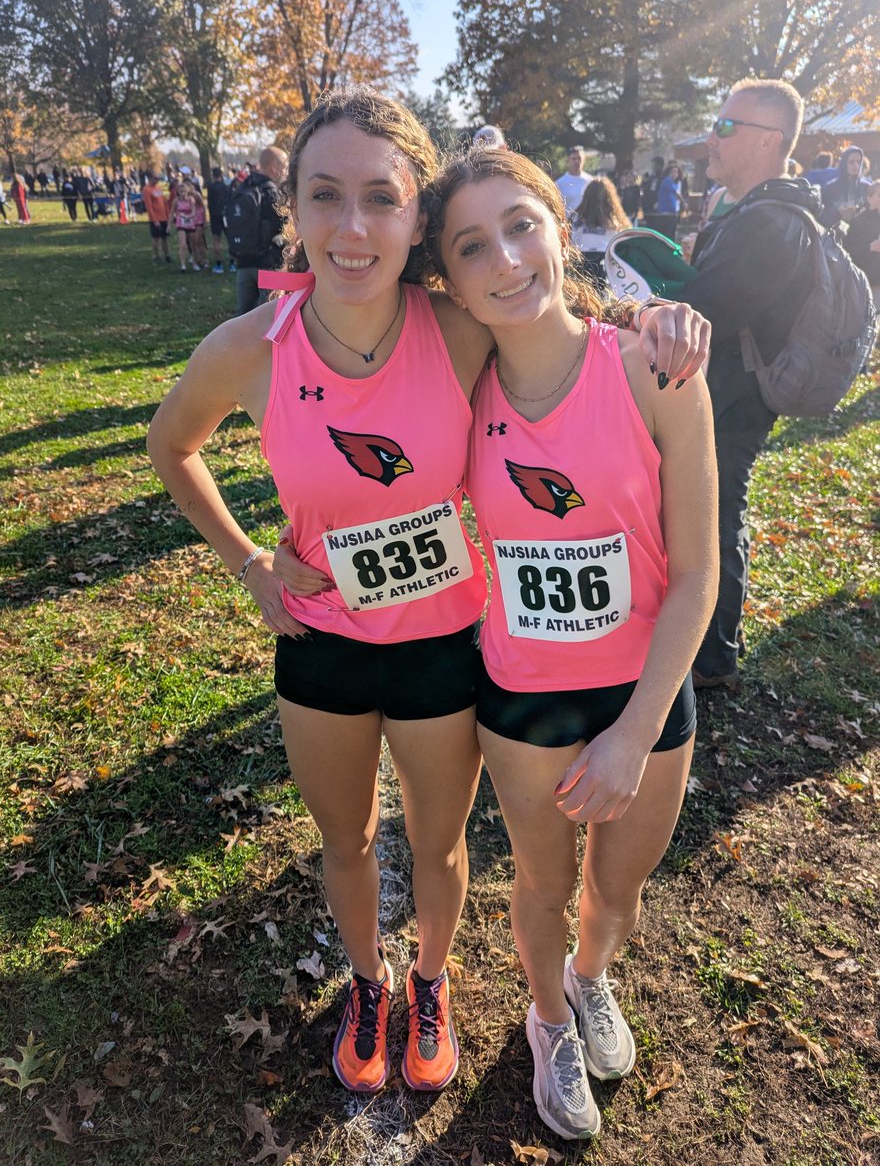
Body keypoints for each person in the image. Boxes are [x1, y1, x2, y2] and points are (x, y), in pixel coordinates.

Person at [148, 86, 709, 1102]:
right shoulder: (250, 347)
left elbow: (550, 315)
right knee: (347, 840)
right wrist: (248, 562)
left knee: (441, 843)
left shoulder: (455, 327)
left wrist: (653, 316)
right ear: (293, 207)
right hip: (321, 641)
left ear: (414, 223)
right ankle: (369, 983)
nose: (351, 226)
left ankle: (433, 981)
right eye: (325, 195)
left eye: (381, 198)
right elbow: (169, 445)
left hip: (446, 645)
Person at [420, 144, 717, 1141]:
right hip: (525, 697)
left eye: (521, 226)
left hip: (646, 692)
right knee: (543, 885)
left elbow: (697, 574)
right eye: (472, 246)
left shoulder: (653, 366)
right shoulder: (456, 393)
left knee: (615, 890)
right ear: (450, 280)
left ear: (560, 227)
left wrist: (633, 734)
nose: (506, 259)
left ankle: (591, 979)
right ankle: (548, 1018)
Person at [675, 78, 815, 689]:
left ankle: (712, 658)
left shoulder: (769, 222)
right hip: (733, 388)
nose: (713, 137)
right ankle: (712, 650)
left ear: (768, 141)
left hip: (735, 395)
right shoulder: (763, 211)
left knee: (717, 513)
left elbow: (707, 308)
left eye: (727, 127)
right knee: (717, 510)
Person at [228, 146, 288, 315]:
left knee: (243, 317)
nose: (287, 172)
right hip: (268, 265)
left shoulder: (242, 188)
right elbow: (285, 228)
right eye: (285, 166)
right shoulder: (272, 192)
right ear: (274, 167)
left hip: (243, 263)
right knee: (267, 317)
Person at [571, 178, 631, 293]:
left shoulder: (576, 219)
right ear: (609, 198)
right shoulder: (615, 222)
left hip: (581, 266)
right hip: (607, 268)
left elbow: (572, 242)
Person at [819, 145, 872, 228]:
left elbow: (874, 214)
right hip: (836, 232)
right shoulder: (830, 188)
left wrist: (860, 211)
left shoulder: (867, 187)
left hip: (862, 232)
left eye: (858, 162)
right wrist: (838, 212)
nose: (855, 165)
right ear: (844, 163)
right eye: (851, 162)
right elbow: (820, 217)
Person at [844, 180, 880, 295]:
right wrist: (870, 247)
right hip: (867, 283)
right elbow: (848, 252)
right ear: (869, 198)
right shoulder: (859, 221)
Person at [556, 147, 594, 241]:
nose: (577, 161)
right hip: (568, 229)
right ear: (568, 160)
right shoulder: (560, 183)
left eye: (579, 158)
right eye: (574, 159)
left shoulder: (591, 181)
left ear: (584, 160)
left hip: (587, 229)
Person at [141, 171, 172, 264]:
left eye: (158, 178)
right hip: (156, 218)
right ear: (150, 178)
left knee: (164, 238)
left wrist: (167, 215)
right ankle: (156, 256)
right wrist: (154, 220)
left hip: (163, 217)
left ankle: (167, 256)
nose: (157, 180)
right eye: (155, 178)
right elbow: (149, 206)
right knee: (156, 238)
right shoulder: (147, 190)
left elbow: (163, 201)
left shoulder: (158, 188)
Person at [169, 181, 200, 271]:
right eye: (180, 192)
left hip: (190, 223)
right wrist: (169, 225)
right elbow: (171, 212)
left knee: (193, 244)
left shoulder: (191, 200)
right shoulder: (176, 201)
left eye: (184, 192)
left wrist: (188, 216)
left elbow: (194, 212)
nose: (182, 194)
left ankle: (195, 263)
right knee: (183, 244)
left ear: (187, 192)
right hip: (181, 223)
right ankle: (183, 264)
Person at [207, 166, 231, 273]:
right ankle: (232, 264)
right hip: (226, 215)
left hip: (215, 216)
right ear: (221, 175)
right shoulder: (226, 187)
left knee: (216, 240)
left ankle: (219, 264)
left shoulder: (211, 187)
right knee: (230, 239)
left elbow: (209, 203)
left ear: (213, 175)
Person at [655, 163, 687, 240]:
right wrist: (684, 202)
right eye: (672, 171)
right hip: (665, 212)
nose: (674, 173)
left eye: (676, 172)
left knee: (671, 235)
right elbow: (676, 193)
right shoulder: (667, 180)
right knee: (666, 235)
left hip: (672, 212)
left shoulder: (675, 183)